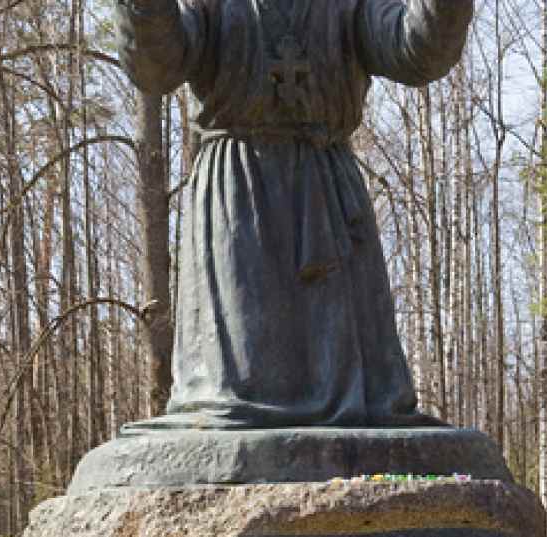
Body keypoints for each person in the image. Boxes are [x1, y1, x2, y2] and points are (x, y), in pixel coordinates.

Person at [117, 0, 473, 430]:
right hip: (238, 204)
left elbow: (418, 51)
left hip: (329, 200)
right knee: (237, 402)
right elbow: (156, 65)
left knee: (365, 412)